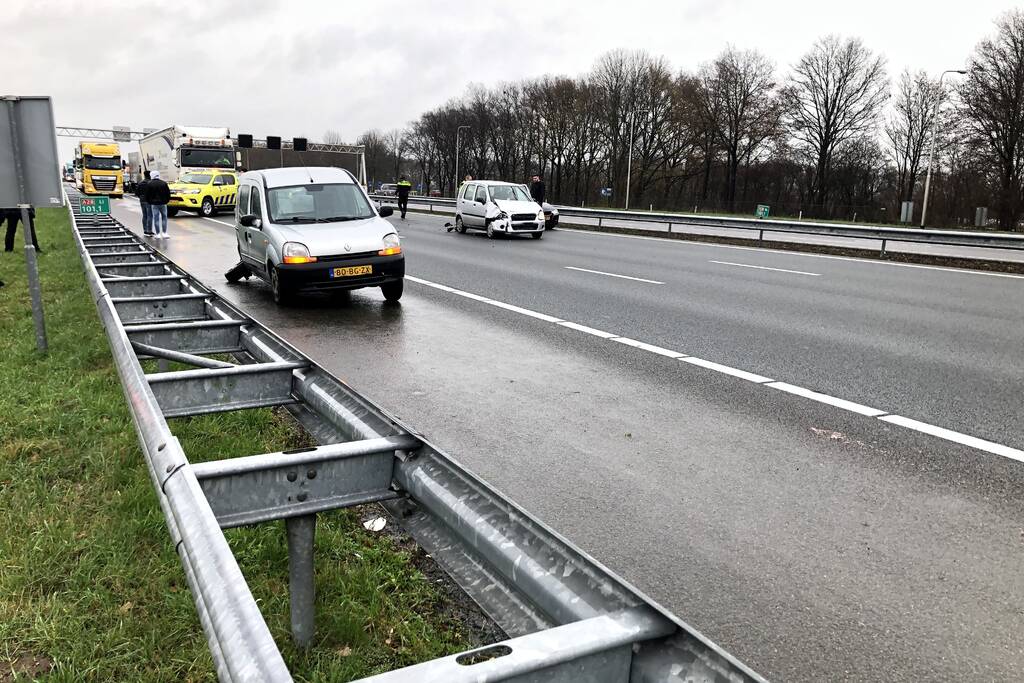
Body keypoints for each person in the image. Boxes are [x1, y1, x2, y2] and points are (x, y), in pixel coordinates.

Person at [146, 170, 171, 238]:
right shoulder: (163, 183)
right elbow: (168, 193)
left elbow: (147, 195)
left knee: (156, 218)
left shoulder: (149, 183)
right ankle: (164, 233)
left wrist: (150, 202)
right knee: (164, 217)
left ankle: (158, 234)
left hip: (154, 204)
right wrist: (166, 201)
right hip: (163, 203)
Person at [136, 170, 152, 236]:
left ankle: (145, 230)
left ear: (144, 175)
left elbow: (137, 192)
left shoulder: (140, 183)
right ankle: (149, 230)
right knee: (150, 215)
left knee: (144, 215)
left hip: (142, 200)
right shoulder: (150, 183)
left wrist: (141, 197)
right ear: (150, 175)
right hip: (149, 200)